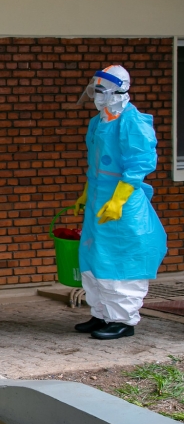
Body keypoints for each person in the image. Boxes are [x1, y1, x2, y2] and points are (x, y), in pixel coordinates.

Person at [71, 65, 166, 339]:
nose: (97, 97)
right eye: (96, 90)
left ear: (118, 91)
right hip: (99, 199)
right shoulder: (98, 121)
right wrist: (87, 193)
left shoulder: (132, 121)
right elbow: (95, 165)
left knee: (121, 260)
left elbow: (138, 165)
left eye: (102, 91)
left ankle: (122, 320)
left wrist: (118, 200)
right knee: (94, 255)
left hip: (123, 203)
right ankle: (101, 314)